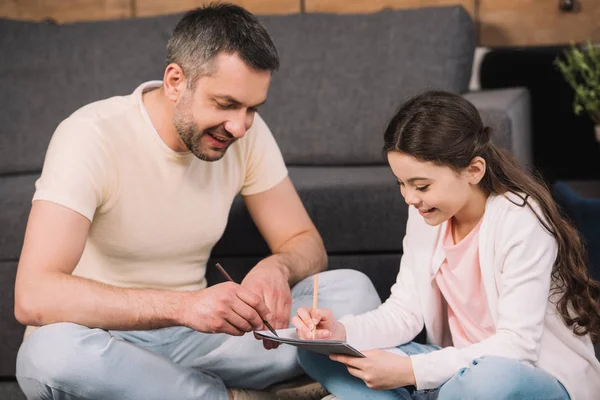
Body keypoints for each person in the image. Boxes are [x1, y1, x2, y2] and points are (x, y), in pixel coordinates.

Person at [13, 4, 381, 400]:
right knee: (50, 357)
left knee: (353, 292)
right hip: (103, 342)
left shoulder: (246, 135)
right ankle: (234, 396)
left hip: (199, 341)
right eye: (225, 104)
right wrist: (184, 307)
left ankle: (183, 390)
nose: (240, 126)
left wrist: (278, 267)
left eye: (252, 108)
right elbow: (34, 295)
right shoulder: (90, 135)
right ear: (175, 81)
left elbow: (303, 240)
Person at [293, 91, 600, 400]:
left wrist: (411, 371)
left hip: (529, 376)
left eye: (421, 185)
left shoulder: (520, 220)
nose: (410, 198)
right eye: (401, 183)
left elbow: (517, 347)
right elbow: (404, 312)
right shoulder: (426, 214)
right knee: (319, 353)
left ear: (473, 171)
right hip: (453, 373)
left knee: (487, 381)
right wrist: (340, 333)